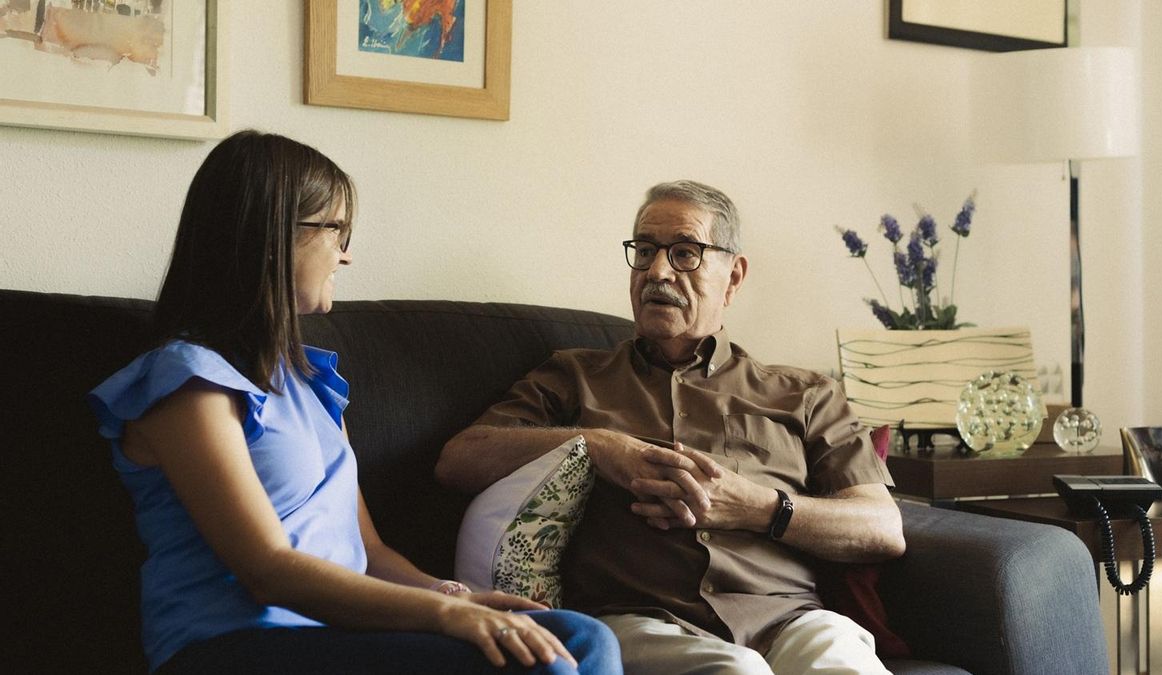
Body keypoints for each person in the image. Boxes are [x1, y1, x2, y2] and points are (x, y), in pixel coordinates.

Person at [87, 130, 621, 675]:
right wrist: (440, 615)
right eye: (336, 230)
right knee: (537, 667)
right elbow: (267, 569)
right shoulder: (188, 383)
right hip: (231, 647)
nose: (346, 255)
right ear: (274, 237)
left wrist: (453, 595)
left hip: (343, 640)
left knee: (581, 637)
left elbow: (370, 553)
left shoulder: (313, 383)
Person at [436, 180, 906, 674]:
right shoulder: (575, 376)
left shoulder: (806, 394)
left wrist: (759, 509)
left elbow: (882, 529)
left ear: (734, 275)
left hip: (790, 620)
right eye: (644, 251)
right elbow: (460, 460)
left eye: (685, 253)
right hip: (639, 622)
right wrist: (596, 445)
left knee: (843, 662)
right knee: (737, 671)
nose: (657, 271)